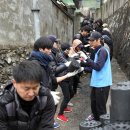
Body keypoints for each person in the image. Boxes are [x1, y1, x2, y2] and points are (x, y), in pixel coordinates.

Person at [0, 60, 55, 130]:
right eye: (26, 88)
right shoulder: (4, 103)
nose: (31, 93)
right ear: (14, 83)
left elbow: (47, 126)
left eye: (35, 87)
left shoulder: (45, 97)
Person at [82, 31, 112, 121]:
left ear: (98, 40)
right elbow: (93, 68)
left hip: (102, 84)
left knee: (101, 109)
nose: (90, 42)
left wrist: (87, 59)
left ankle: (103, 125)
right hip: (97, 83)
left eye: (92, 40)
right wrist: (82, 67)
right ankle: (95, 122)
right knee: (94, 105)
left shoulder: (102, 51)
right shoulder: (97, 50)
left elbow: (98, 67)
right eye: (89, 40)